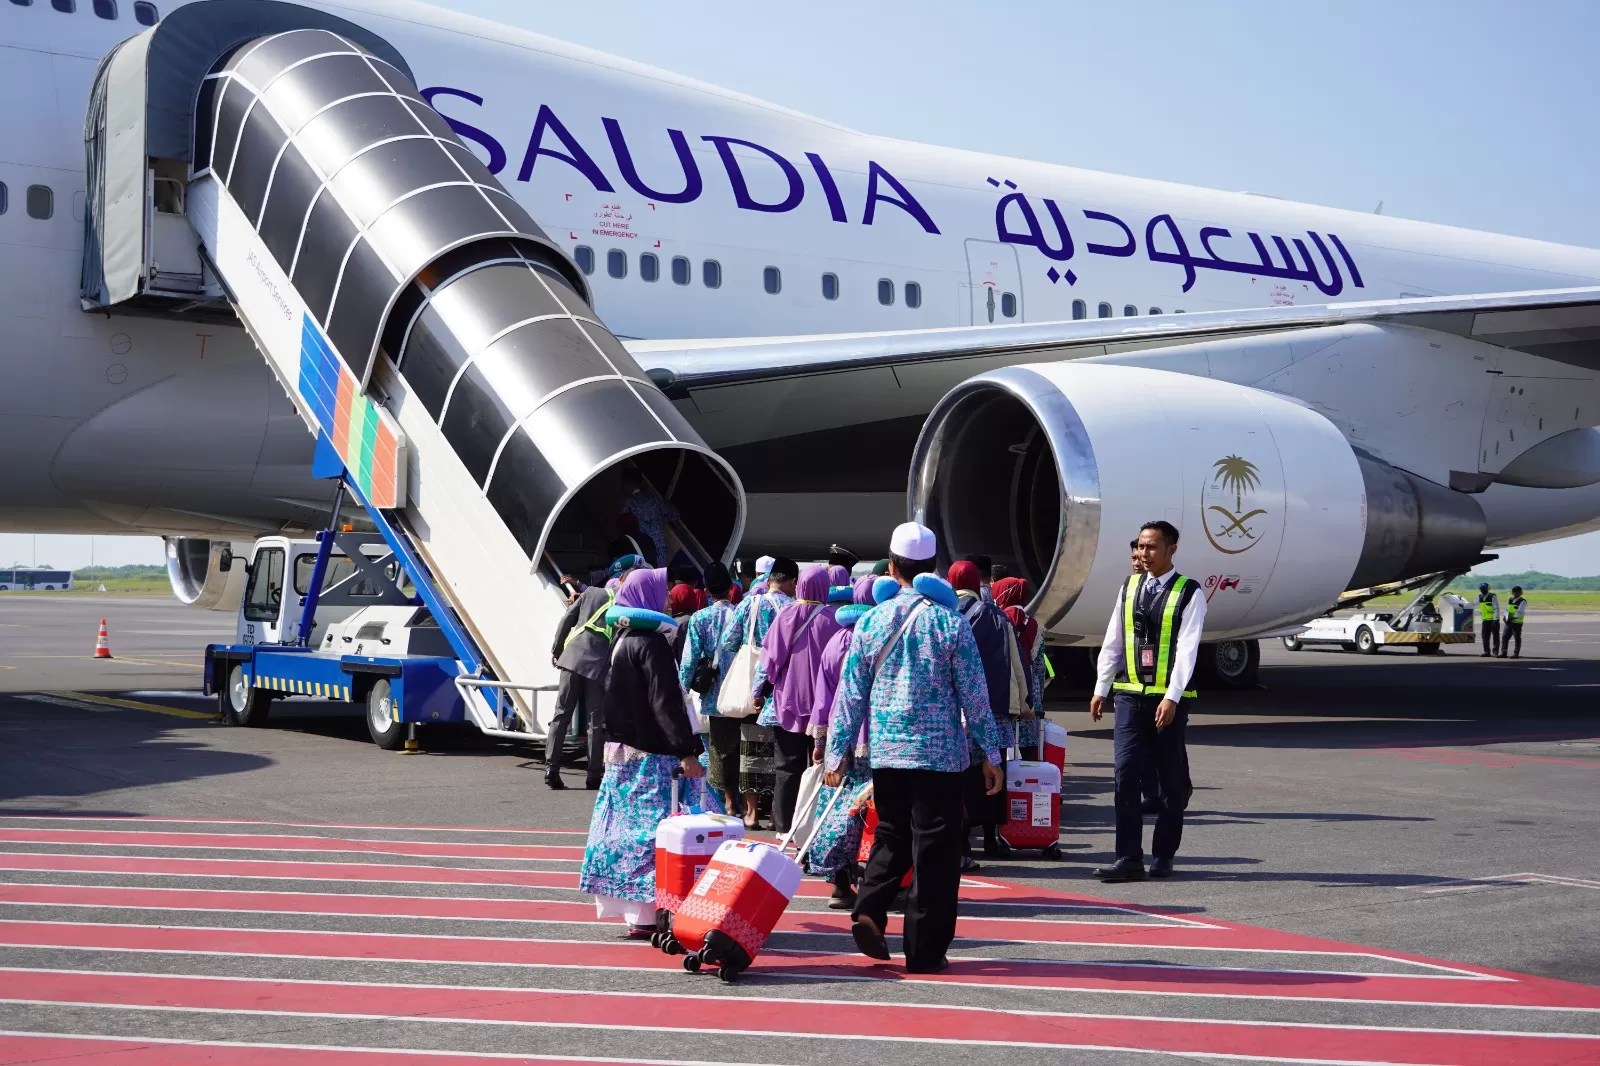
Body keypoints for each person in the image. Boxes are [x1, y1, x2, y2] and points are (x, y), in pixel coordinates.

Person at [826, 522, 1003, 974]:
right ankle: (924, 951)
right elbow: (975, 695)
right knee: (937, 853)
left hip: (887, 753)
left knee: (892, 834)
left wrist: (835, 752)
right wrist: (992, 754)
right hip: (940, 755)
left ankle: (869, 906)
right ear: (932, 568)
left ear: (891, 566)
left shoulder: (870, 620)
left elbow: (849, 694)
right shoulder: (949, 623)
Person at [578, 567, 710, 936]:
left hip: (622, 752)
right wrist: (685, 750)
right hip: (653, 755)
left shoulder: (622, 638)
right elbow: (664, 702)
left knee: (626, 831)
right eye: (662, 590)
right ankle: (658, 910)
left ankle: (639, 915)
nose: (668, 597)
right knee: (658, 831)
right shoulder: (651, 643)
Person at [1088, 520, 1207, 883]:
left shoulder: (1190, 593)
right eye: (1139, 546)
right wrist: (1101, 686)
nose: (1143, 553)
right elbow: (1114, 637)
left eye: (1151, 547)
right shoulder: (1130, 586)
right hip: (1129, 696)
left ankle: (1164, 853)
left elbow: (1187, 650)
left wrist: (1171, 697)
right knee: (1125, 776)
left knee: (1170, 781)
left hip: (1167, 701)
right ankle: (1128, 858)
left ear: (1171, 550)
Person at [754, 565, 845, 833]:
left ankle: (784, 827)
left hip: (788, 703)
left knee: (787, 768)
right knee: (821, 767)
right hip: (825, 707)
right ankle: (815, 828)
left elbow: (769, 662)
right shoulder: (834, 618)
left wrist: (759, 690)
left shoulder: (785, 614)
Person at [949, 560, 1027, 860]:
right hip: (996, 707)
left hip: (962, 709)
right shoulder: (997, 615)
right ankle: (993, 837)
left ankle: (965, 840)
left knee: (964, 775)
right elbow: (1015, 661)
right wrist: (1021, 702)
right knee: (995, 771)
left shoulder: (948, 615)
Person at [807, 574, 877, 907]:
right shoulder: (876, 639)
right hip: (874, 734)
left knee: (838, 807)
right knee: (868, 809)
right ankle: (875, 878)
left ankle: (838, 880)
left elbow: (823, 697)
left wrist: (821, 740)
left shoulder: (836, 640)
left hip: (839, 735)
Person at [717, 556, 798, 827]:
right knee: (780, 751)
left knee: (751, 745)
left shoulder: (751, 603)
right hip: (782, 686)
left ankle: (750, 813)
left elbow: (728, 641)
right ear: (791, 582)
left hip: (752, 681)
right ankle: (777, 813)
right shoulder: (794, 608)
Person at [548, 554, 636, 790]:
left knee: (561, 715)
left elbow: (567, 619)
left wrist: (557, 649)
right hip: (598, 665)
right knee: (594, 722)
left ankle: (551, 768)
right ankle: (593, 776)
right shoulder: (625, 605)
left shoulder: (590, 594)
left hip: (572, 657)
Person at [678, 562, 741, 815]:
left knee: (712, 746)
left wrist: (682, 690)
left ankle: (716, 800)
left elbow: (690, 658)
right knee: (738, 748)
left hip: (712, 692)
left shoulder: (700, 618)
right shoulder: (742, 614)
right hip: (741, 692)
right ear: (731, 588)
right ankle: (736, 799)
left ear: (705, 590)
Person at [618, 468, 679, 567]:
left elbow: (624, 530)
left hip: (641, 551)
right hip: (660, 550)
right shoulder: (654, 498)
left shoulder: (628, 504)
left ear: (627, 483)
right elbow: (674, 514)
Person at [1501, 585, 1527, 658]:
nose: (1516, 593)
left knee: (1517, 638)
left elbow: (1520, 612)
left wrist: (1512, 618)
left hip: (1517, 622)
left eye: (1517, 592)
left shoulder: (1522, 601)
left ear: (1520, 593)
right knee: (1505, 637)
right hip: (1509, 622)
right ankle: (1504, 653)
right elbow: (1507, 609)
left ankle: (1516, 653)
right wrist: (1504, 617)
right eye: (1514, 592)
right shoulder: (1510, 600)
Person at [1477, 582, 1501, 657]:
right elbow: (1473, 603)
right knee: (1485, 636)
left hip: (1493, 620)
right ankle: (1486, 651)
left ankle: (1495, 652)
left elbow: (1496, 608)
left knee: (1495, 637)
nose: (1482, 590)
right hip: (1485, 620)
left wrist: (1496, 619)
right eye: (1481, 589)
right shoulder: (1480, 597)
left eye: (1483, 589)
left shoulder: (1492, 596)